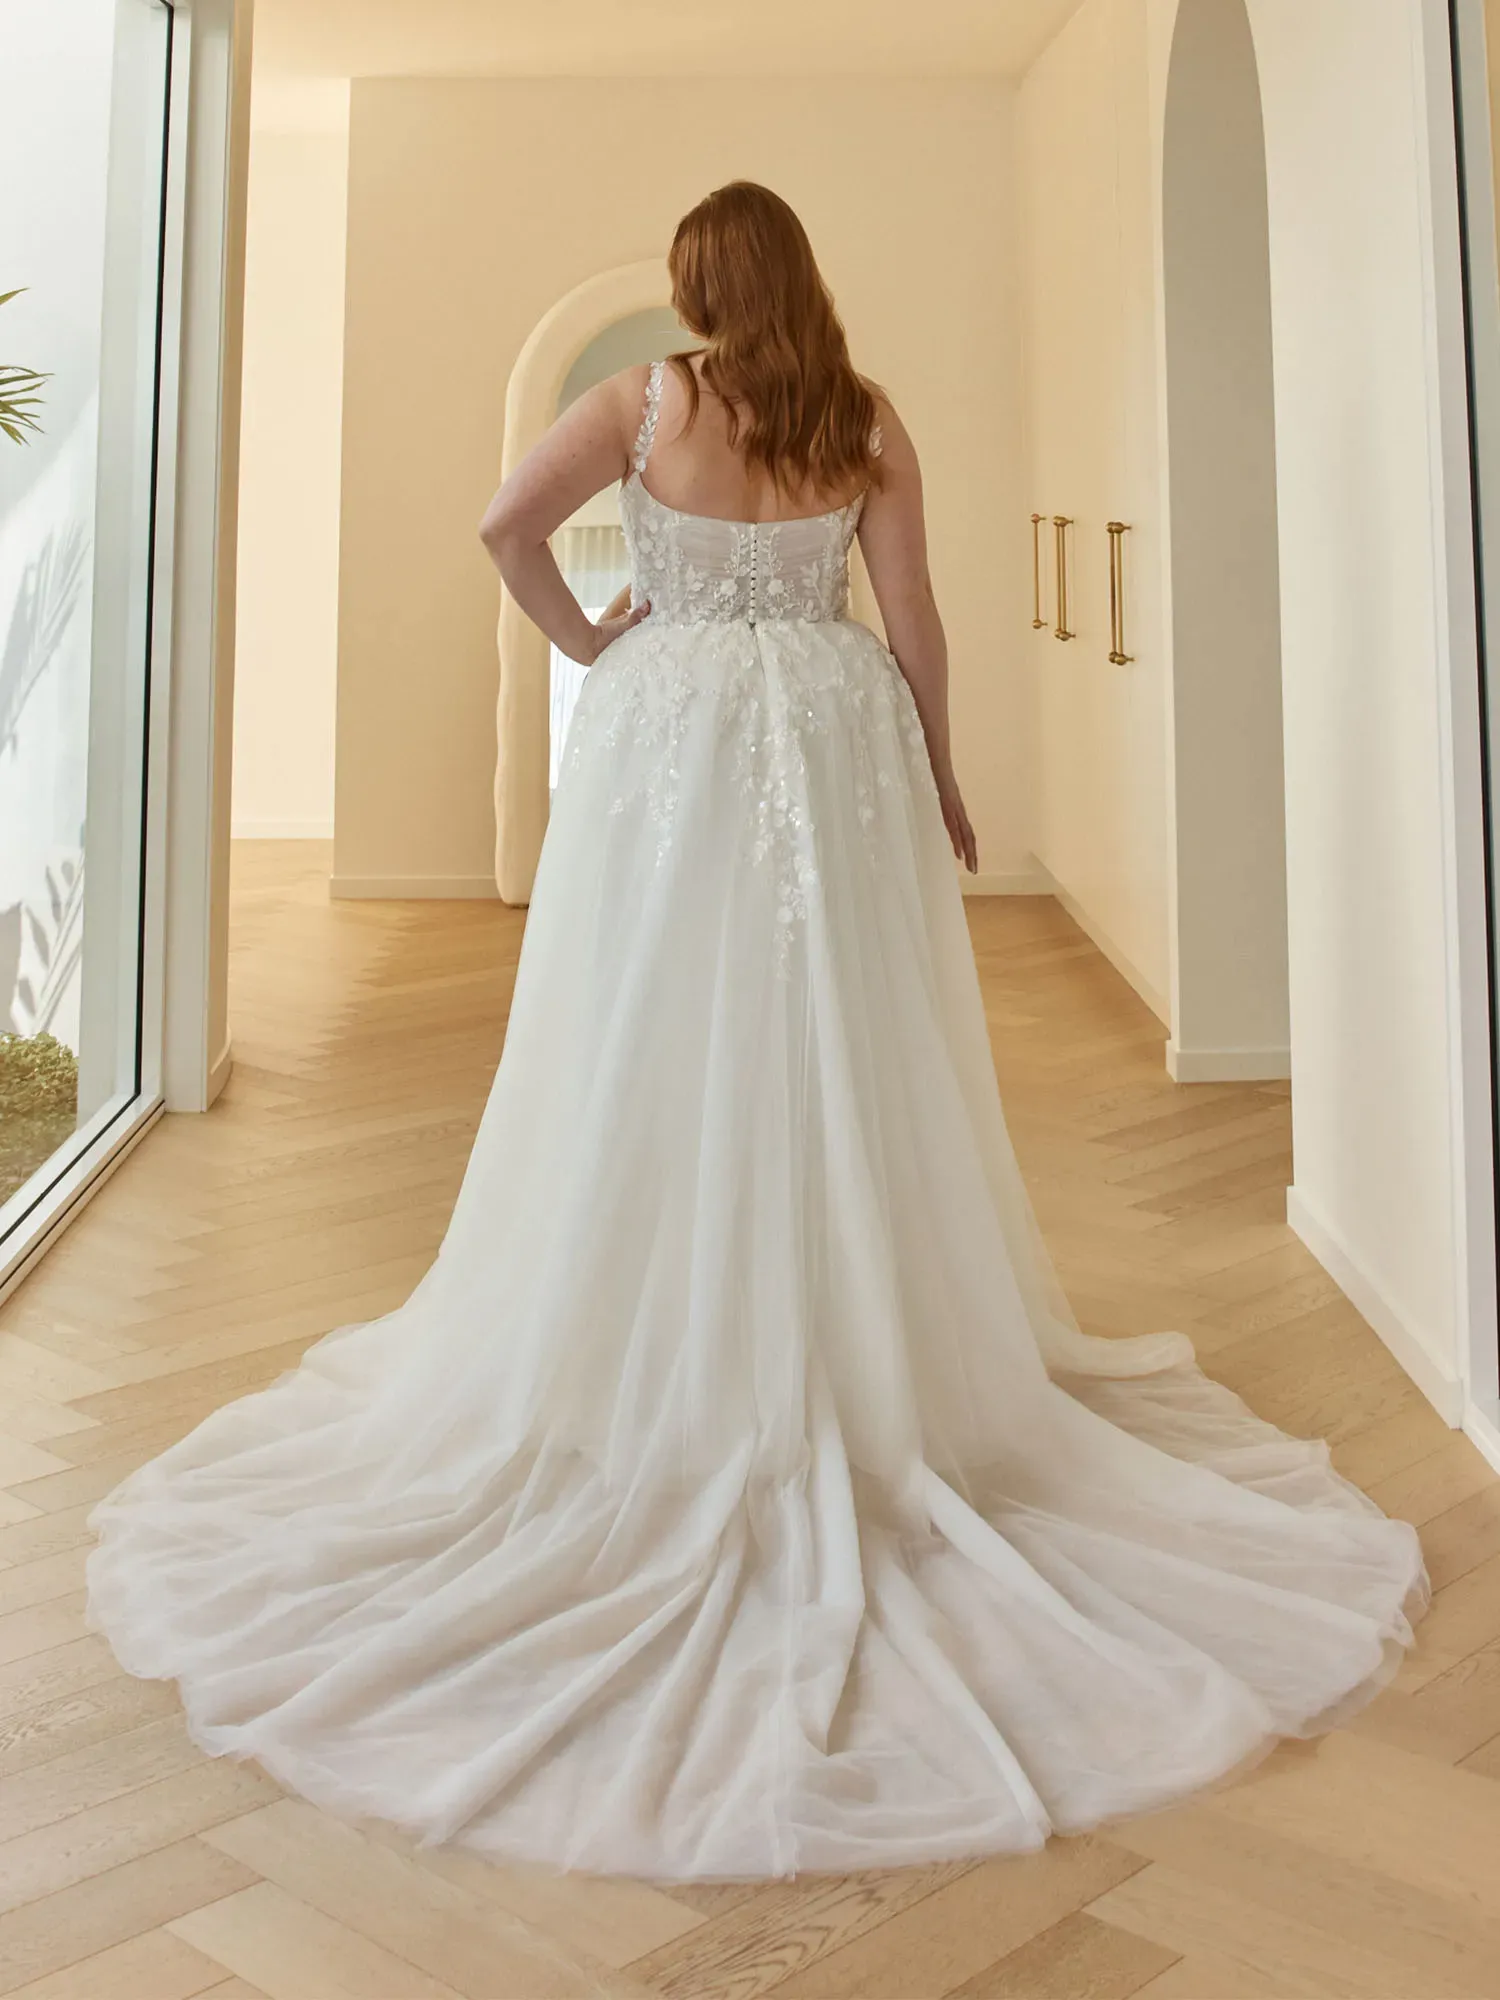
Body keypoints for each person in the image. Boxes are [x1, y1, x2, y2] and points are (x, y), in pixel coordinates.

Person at [84, 181, 1429, 1883]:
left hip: (669, 737)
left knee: (648, 1027)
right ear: (800, 273)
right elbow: (915, 619)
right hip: (833, 737)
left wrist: (592, 639)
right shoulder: (861, 416)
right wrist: (945, 774)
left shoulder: (643, 401)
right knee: (838, 1045)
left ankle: (648, 1347)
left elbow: (504, 526)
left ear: (697, 286)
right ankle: (853, 1359)